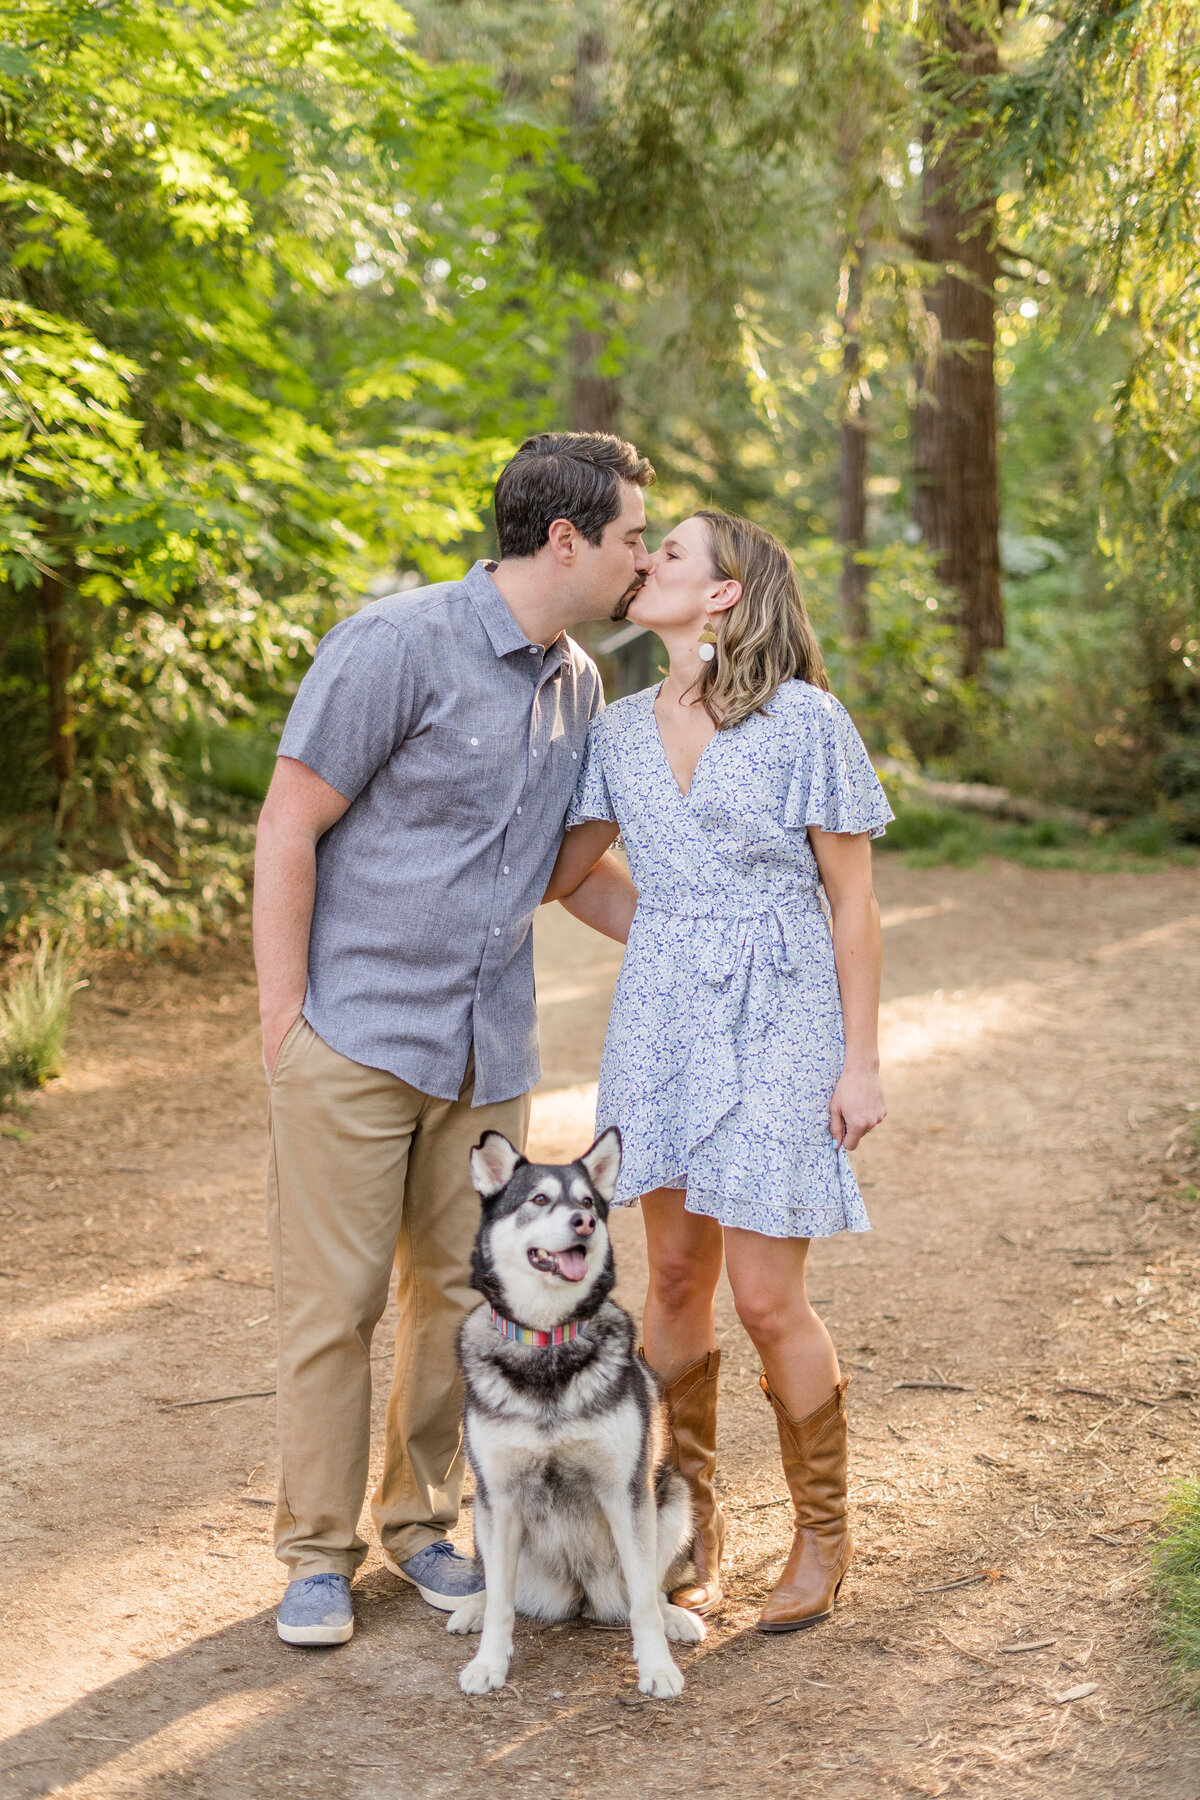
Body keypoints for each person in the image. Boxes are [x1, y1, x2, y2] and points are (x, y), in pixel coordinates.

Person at [253, 431, 654, 1646]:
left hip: (488, 1050)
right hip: (356, 1036)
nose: (645, 558)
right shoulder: (396, 644)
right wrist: (284, 1023)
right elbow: (287, 823)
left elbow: (560, 877)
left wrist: (713, 939)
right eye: (633, 536)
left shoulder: (582, 686)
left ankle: (419, 1524)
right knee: (334, 1304)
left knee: (460, 1297)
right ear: (566, 539)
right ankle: (316, 1555)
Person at [545, 509, 891, 1631]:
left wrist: (861, 1061)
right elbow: (569, 875)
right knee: (673, 1279)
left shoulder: (805, 722)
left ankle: (823, 1535)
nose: (647, 563)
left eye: (672, 554)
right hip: (663, 1023)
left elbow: (853, 903)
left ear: (726, 593)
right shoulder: (617, 728)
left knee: (765, 1296)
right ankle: (689, 1522)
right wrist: (668, 932)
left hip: (784, 1017)